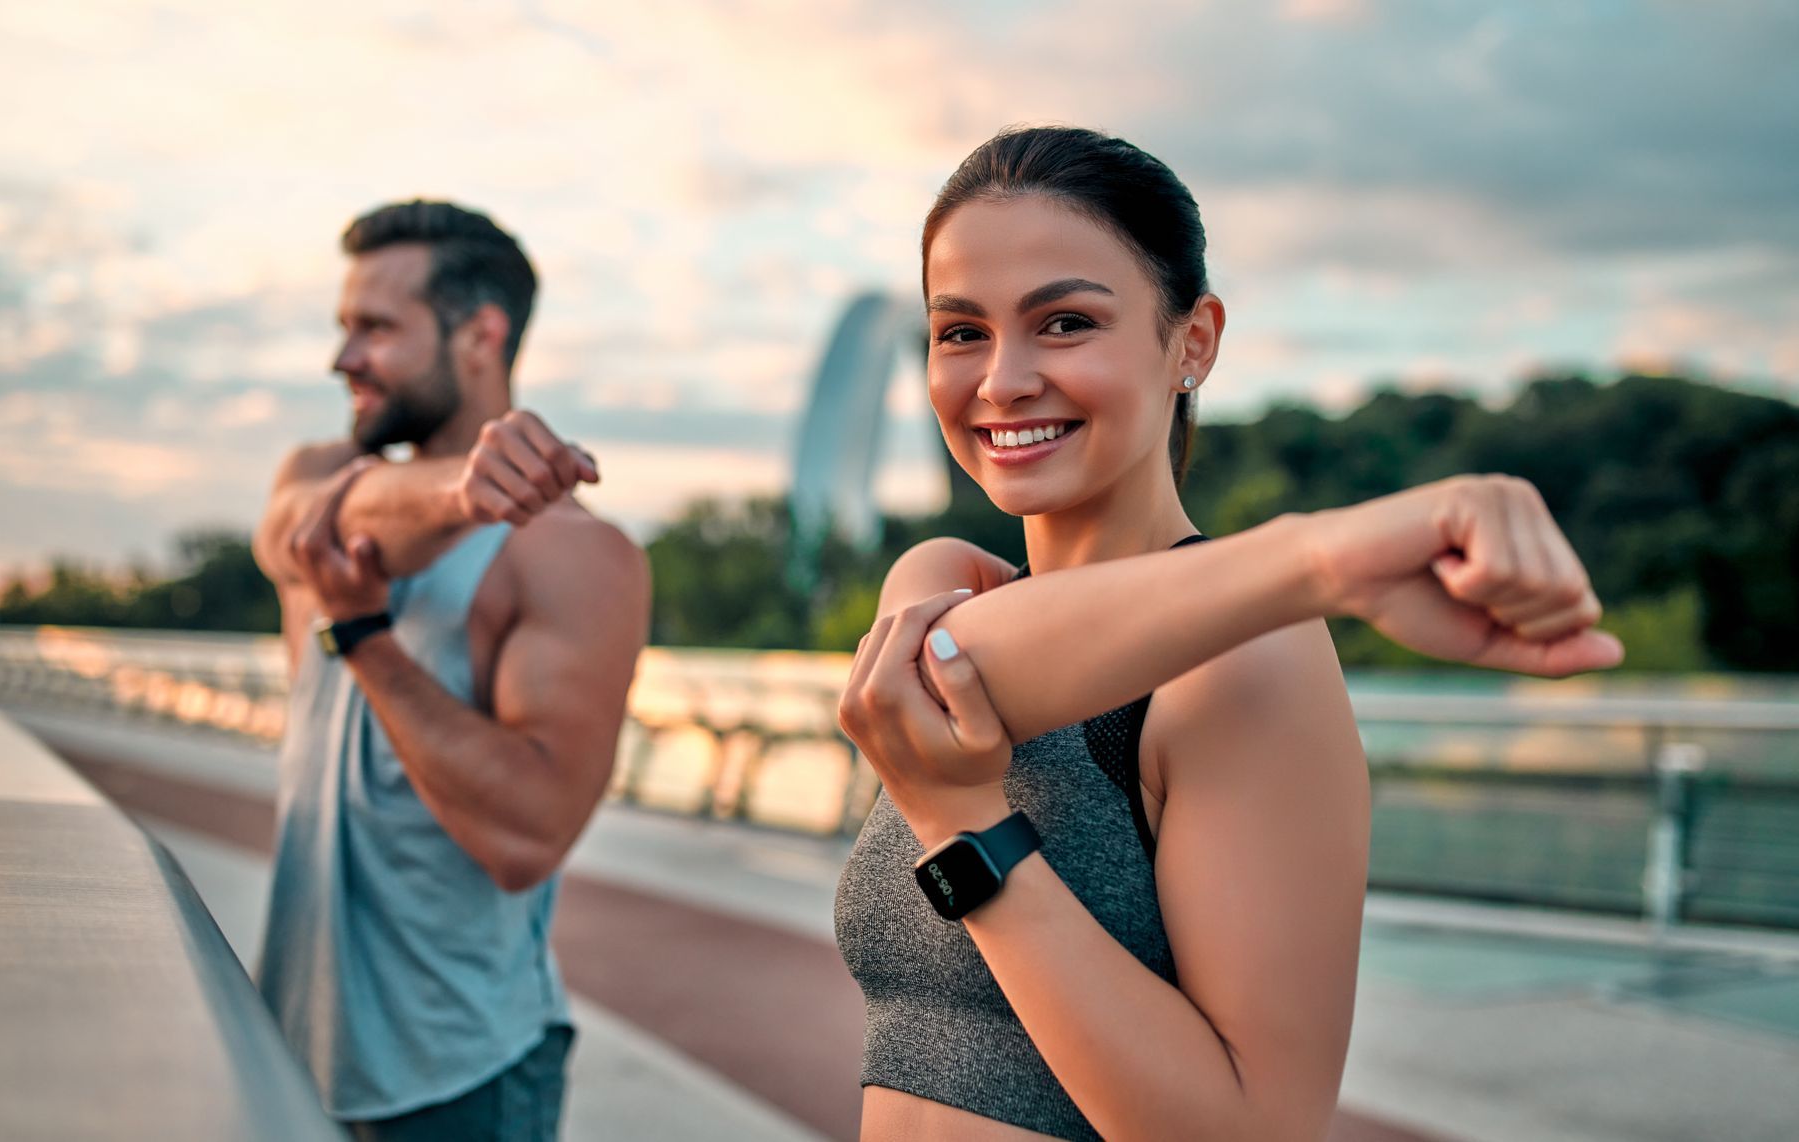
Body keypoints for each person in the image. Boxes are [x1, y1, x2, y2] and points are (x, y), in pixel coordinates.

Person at [832, 126, 1623, 1141]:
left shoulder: (1253, 662)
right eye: (960, 331)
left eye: (1065, 322)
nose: (1003, 380)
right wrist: (1326, 558)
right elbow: (960, 663)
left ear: (1192, 341)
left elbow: (1251, 1130)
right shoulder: (945, 580)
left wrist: (970, 837)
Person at [250, 199, 649, 1141]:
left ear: (481, 335)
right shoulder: (319, 484)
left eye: (376, 329)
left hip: (460, 1079)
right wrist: (461, 488)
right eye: (344, 326)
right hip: (290, 1053)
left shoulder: (575, 557)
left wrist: (369, 644)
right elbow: (311, 530)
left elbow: (527, 838)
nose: (343, 358)